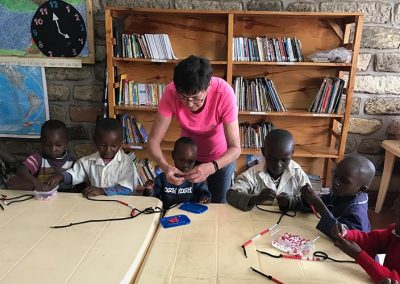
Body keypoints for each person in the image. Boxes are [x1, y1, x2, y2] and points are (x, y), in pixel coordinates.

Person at [147, 55, 240, 203]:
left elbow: (235, 148)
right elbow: (153, 141)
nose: (189, 104)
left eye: (196, 98)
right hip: (189, 158)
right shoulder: (171, 92)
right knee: (185, 203)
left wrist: (212, 167)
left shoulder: (224, 93)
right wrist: (165, 167)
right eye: (183, 97)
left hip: (220, 158)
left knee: (218, 205)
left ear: (208, 87)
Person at [47, 118, 136, 197]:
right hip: (96, 205)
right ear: (95, 141)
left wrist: (102, 191)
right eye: (103, 145)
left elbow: (127, 189)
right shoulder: (87, 161)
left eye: (114, 146)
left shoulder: (126, 163)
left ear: (120, 142)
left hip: (120, 206)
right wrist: (60, 177)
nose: (108, 150)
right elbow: (75, 174)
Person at [226, 129, 310, 211]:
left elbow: (310, 202)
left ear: (291, 154)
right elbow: (231, 195)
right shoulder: (253, 173)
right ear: (263, 152)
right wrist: (256, 198)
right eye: (273, 159)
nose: (278, 165)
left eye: (284, 160)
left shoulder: (298, 173)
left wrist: (290, 202)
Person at [301, 156, 375, 238]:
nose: (336, 182)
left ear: (361, 189)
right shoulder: (342, 193)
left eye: (344, 181)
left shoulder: (356, 214)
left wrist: (320, 206)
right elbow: (323, 201)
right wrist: (294, 201)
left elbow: (341, 236)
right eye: (335, 175)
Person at [332, 196, 400, 283]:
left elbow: (393, 279)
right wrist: (347, 234)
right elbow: (372, 240)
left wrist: (359, 255)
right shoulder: (396, 230)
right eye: (396, 215)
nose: (397, 222)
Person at [145, 137, 211, 210]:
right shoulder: (163, 177)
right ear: (173, 155)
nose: (186, 165)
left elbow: (204, 194)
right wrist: (149, 189)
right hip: (167, 216)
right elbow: (152, 197)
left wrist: (204, 198)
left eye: (191, 161)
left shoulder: (195, 179)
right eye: (182, 160)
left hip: (189, 215)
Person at [10, 120, 74, 191]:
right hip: (42, 198)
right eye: (48, 145)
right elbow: (21, 170)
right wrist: (36, 183)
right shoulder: (38, 158)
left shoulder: (72, 162)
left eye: (58, 145)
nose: (53, 149)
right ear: (42, 142)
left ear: (67, 143)